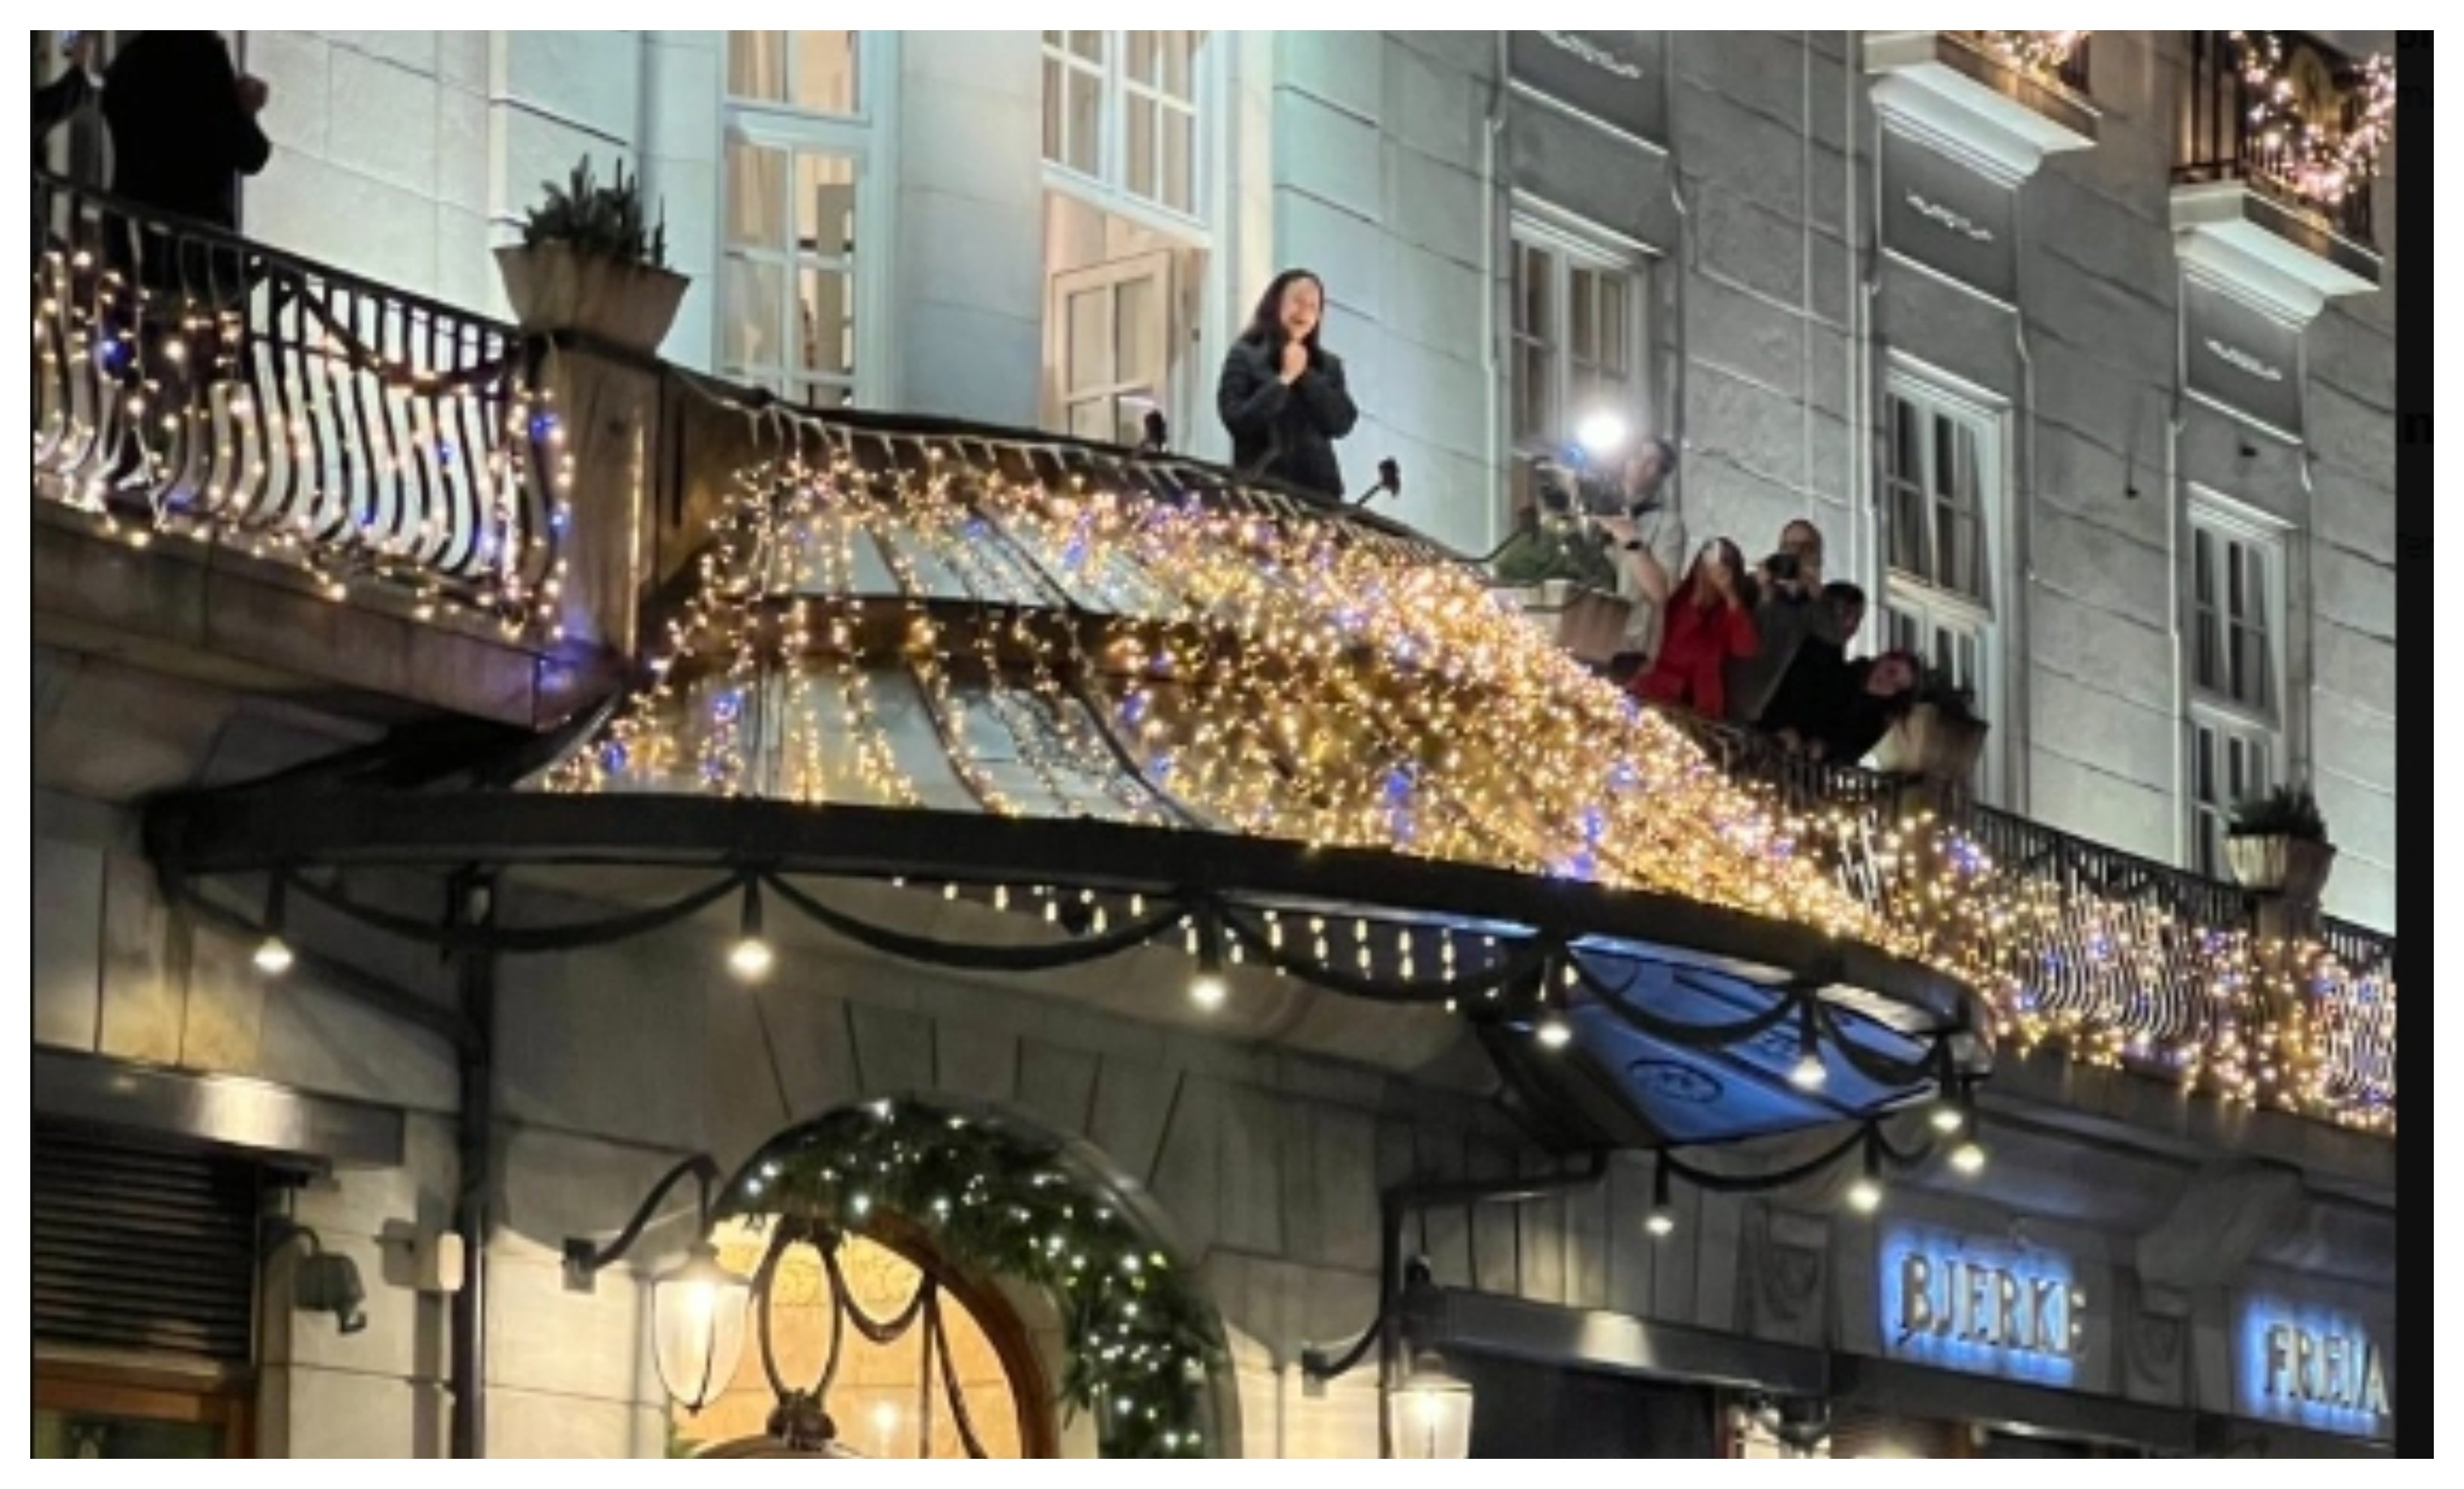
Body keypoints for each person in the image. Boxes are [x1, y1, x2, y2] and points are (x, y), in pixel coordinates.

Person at [1217, 269, 1357, 499]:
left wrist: (1306, 376)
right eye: (1297, 301)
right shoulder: (1245, 354)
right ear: (1276, 303)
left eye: (1313, 306)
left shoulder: (1328, 365)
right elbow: (1236, 419)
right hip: (1262, 489)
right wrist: (1283, 380)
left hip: (1319, 495)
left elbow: (1341, 422)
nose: (1304, 312)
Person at [1724, 518, 1849, 725]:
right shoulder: (1752, 586)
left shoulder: (1812, 604)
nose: (1797, 553)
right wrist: (1764, 590)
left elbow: (1834, 641)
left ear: (1818, 555)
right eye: (1790, 546)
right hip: (1719, 691)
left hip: (1754, 712)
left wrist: (1814, 593)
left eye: (1806, 547)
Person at [1591, 437, 1686, 684]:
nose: (1642, 465)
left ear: (1662, 475)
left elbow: (1662, 592)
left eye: (1653, 462)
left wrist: (1632, 542)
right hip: (1579, 625)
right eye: (1638, 456)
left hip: (1626, 643)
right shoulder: (1592, 503)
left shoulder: (1667, 523)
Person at [1630, 537, 1759, 718]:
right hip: (1656, 692)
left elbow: (1745, 648)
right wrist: (1697, 598)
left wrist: (1730, 593)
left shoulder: (1729, 610)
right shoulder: (1677, 597)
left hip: (1701, 705)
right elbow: (1673, 641)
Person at [1757, 580, 1866, 750]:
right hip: (1763, 734)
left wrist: (1815, 740)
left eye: (1858, 617)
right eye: (1845, 612)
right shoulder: (1793, 635)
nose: (1852, 624)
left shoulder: (1836, 662)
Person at [1792, 648, 1920, 765]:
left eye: (1896, 686)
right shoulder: (1839, 674)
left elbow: (1849, 753)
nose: (1887, 683)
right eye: (1891, 672)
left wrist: (1825, 749)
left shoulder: (1876, 721)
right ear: (1883, 659)